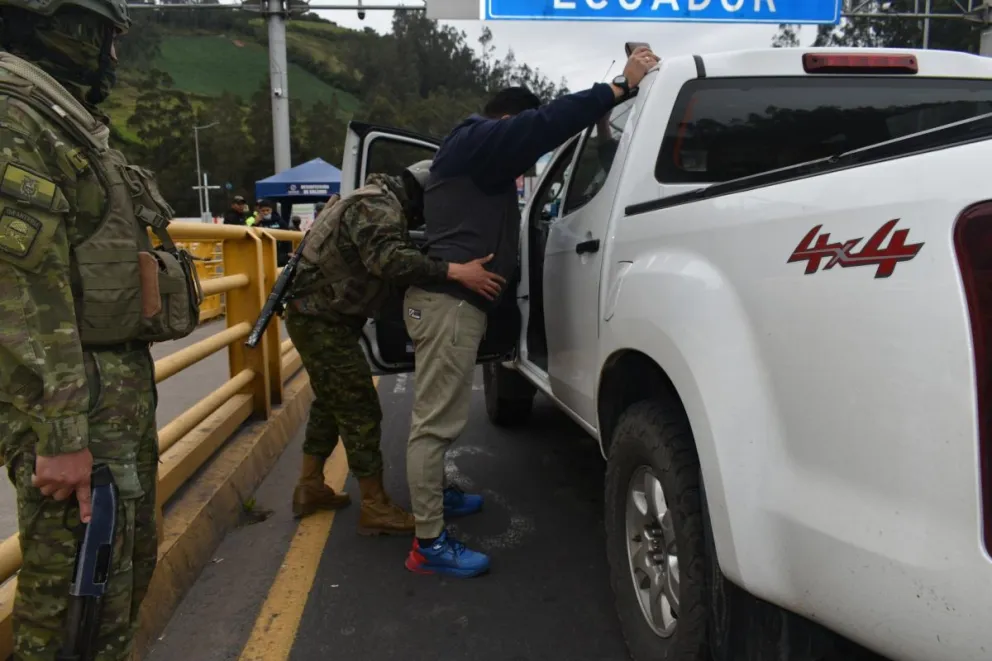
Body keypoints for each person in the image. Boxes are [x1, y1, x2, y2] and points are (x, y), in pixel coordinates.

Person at [402, 47, 660, 577]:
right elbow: (542, 126)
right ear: (507, 122)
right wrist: (618, 87)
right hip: (448, 304)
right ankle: (427, 545)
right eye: (518, 137)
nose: (522, 157)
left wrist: (604, 129)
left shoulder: (475, 158)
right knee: (434, 425)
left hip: (455, 304)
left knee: (439, 420)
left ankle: (438, 501)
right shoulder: (477, 139)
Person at [0, 0, 201, 657]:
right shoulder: (13, 111)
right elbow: (24, 289)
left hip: (107, 391)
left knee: (119, 581)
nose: (113, 55)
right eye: (107, 37)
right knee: (73, 610)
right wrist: (60, 433)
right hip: (71, 403)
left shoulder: (56, 113)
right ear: (65, 23)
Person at [283, 160, 505, 536]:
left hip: (319, 317)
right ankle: (375, 505)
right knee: (358, 408)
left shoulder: (370, 199)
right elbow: (390, 261)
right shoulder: (378, 207)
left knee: (330, 404)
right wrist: (454, 271)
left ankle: (310, 486)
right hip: (322, 321)